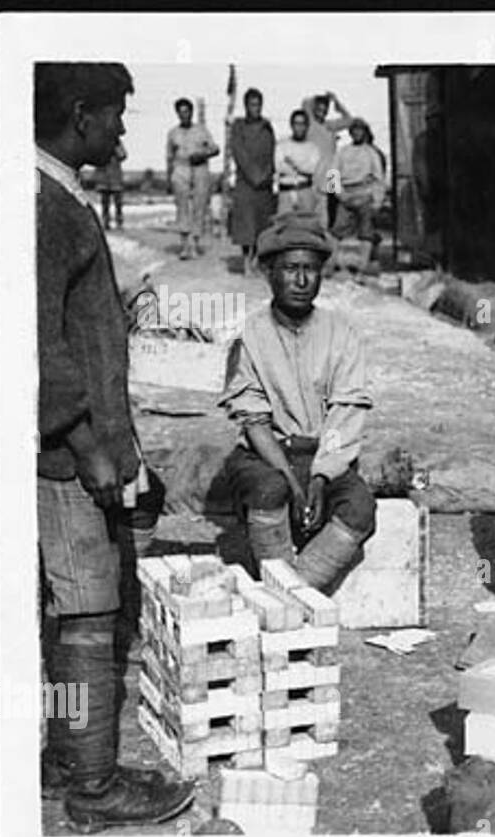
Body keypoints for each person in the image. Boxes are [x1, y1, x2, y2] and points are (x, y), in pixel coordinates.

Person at [35, 61, 195, 830]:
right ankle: (91, 789)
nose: (123, 131)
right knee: (88, 612)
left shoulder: (55, 197)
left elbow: (69, 320)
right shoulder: (45, 206)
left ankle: (66, 754)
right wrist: (87, 443)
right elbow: (39, 349)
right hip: (64, 457)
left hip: (75, 448)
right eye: (116, 116)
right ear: (79, 114)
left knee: (70, 609)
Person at [218, 212, 377, 589]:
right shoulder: (249, 336)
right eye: (290, 268)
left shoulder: (342, 334)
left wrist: (321, 476)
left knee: (359, 508)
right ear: (269, 272)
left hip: (324, 452)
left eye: (311, 269)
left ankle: (295, 592)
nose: (301, 280)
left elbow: (345, 413)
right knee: (270, 489)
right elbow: (254, 421)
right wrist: (291, 479)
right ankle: (278, 585)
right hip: (266, 455)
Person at [228, 87, 277, 277]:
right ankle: (246, 262)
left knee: (261, 224)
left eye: (258, 104)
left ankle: (257, 260)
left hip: (264, 184)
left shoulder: (267, 126)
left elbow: (272, 152)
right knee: (245, 225)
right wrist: (254, 176)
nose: (255, 108)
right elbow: (239, 152)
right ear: (246, 106)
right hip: (246, 182)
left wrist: (266, 175)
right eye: (252, 104)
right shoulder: (238, 126)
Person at [165, 97, 219, 260]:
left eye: (187, 112)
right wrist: (169, 177)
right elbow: (169, 156)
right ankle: (184, 246)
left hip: (200, 168)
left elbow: (215, 148)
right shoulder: (173, 133)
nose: (184, 115)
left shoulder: (202, 130)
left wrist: (203, 153)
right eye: (180, 113)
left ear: (191, 112)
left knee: (199, 206)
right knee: (182, 207)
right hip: (181, 168)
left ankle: (194, 245)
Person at [330, 117, 385, 246]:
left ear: (364, 132)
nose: (357, 133)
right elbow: (332, 174)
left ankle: (366, 261)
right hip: (346, 195)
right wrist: (340, 195)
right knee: (337, 232)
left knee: (366, 233)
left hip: (364, 195)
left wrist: (377, 201)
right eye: (354, 131)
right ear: (350, 133)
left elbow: (378, 178)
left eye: (360, 130)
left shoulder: (371, 152)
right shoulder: (342, 152)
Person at [302, 91, 354, 229]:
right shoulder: (310, 124)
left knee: (333, 211)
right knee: (314, 214)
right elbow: (305, 103)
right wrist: (320, 98)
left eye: (325, 110)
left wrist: (336, 102)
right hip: (314, 174)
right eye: (319, 109)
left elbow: (349, 120)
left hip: (331, 173)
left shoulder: (330, 126)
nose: (322, 112)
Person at [275, 110, 322, 217]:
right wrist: (302, 166)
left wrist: (294, 164)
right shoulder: (282, 145)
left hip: (305, 191)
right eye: (296, 123)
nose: (299, 127)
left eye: (302, 124)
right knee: (284, 228)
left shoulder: (313, 148)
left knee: (306, 227)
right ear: (291, 125)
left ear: (307, 126)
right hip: (286, 192)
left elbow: (312, 169)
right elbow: (280, 167)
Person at [91, 138, 126, 230]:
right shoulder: (98, 141)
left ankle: (119, 221)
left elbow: (123, 156)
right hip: (103, 177)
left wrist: (116, 145)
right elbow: (94, 157)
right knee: (105, 202)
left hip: (115, 177)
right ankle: (106, 221)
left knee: (118, 202)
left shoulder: (116, 142)